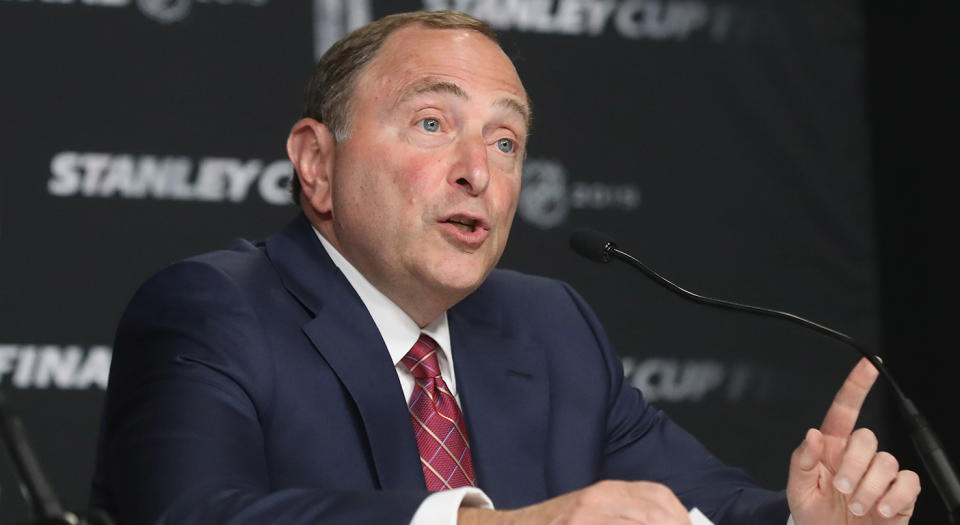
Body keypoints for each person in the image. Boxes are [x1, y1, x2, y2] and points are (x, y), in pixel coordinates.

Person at [90, 10, 920, 525]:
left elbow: (696, 498)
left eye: (505, 141)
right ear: (316, 162)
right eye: (429, 123)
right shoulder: (212, 308)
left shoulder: (549, 325)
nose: (476, 171)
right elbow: (196, 514)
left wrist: (801, 521)